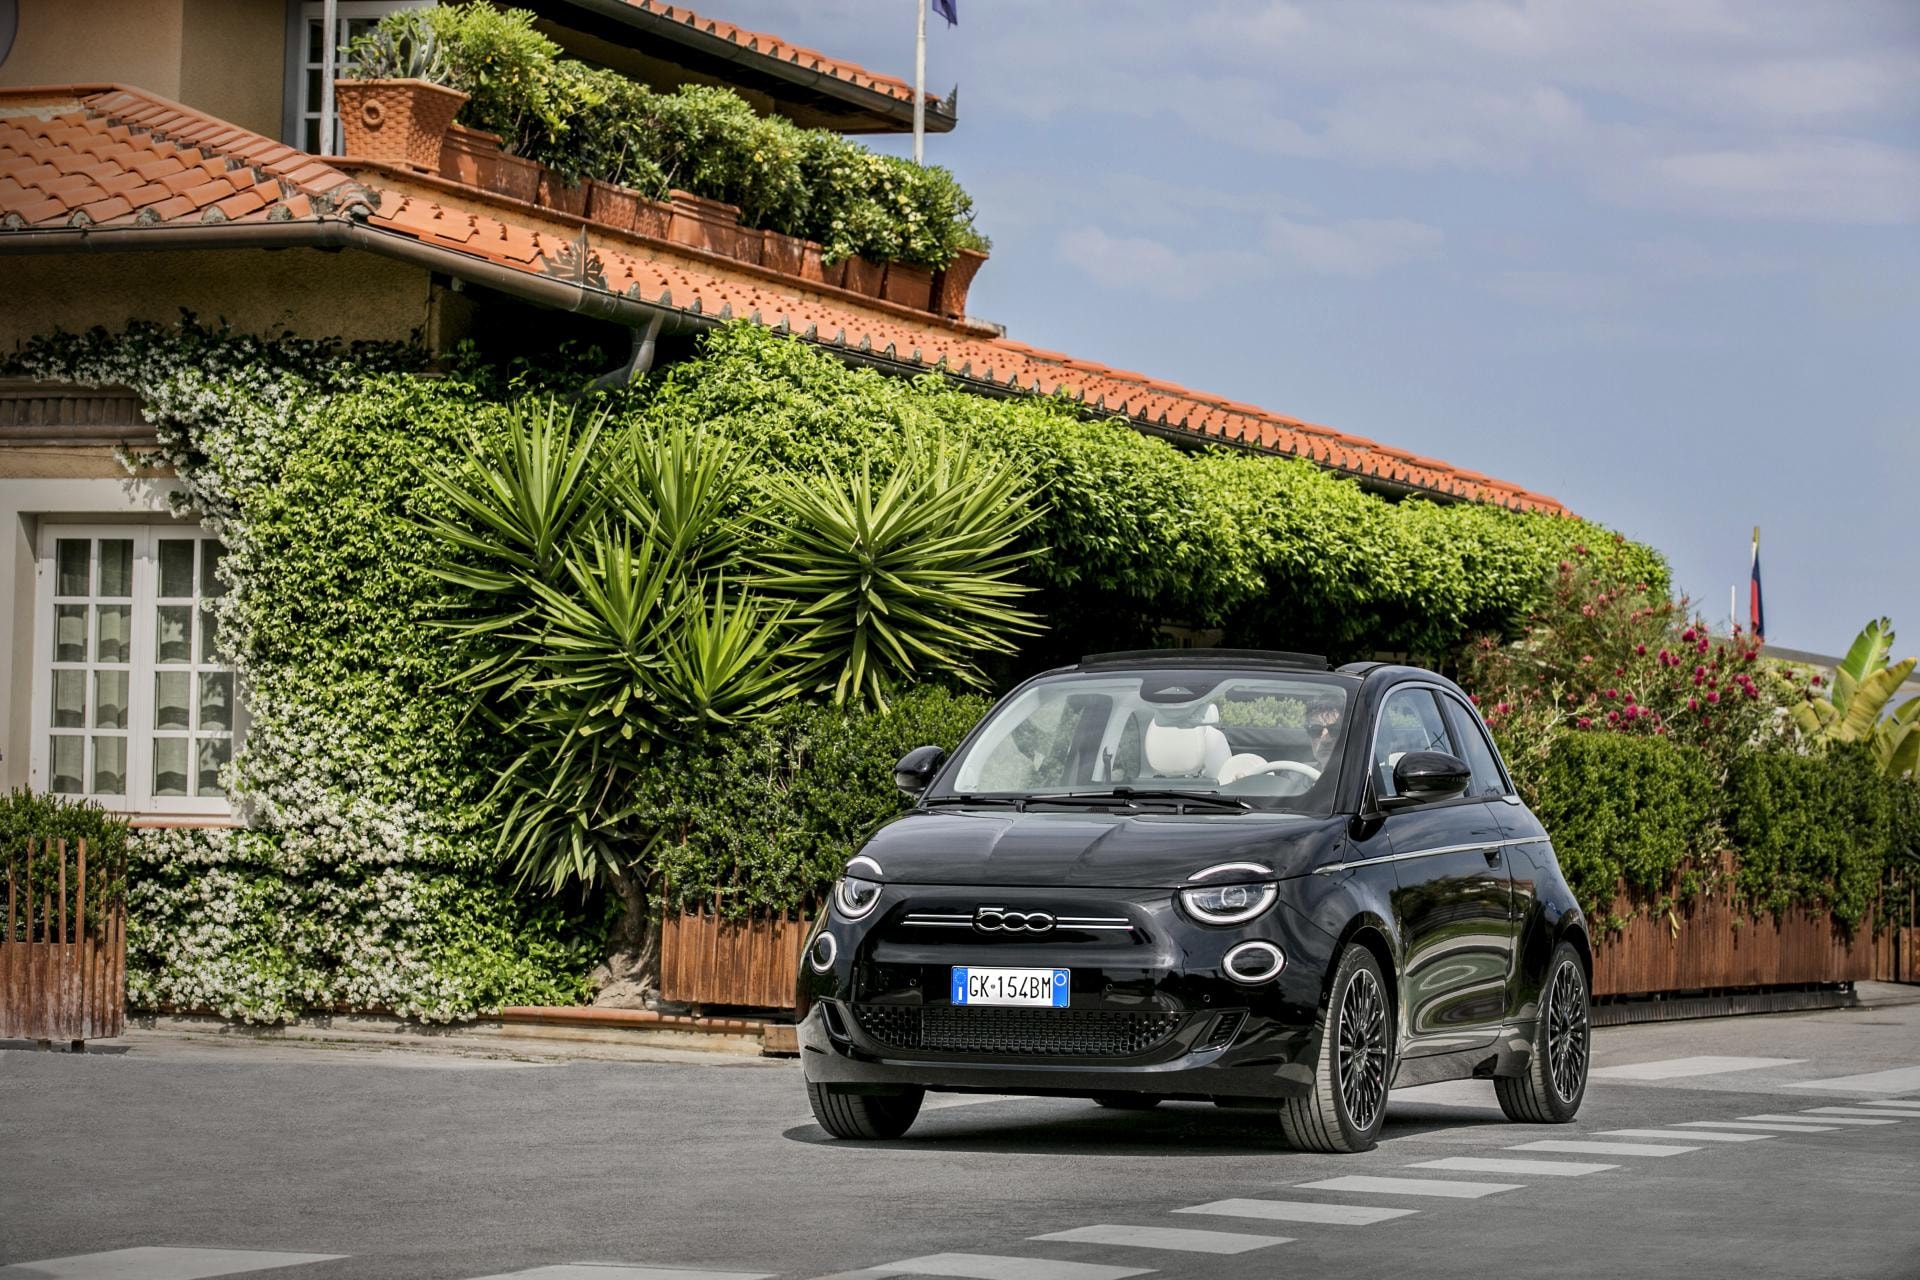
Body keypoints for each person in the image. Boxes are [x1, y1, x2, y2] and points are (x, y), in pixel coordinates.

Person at [1306, 697, 1344, 768]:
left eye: (1334, 729)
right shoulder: (1295, 776)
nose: (1325, 740)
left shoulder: (1359, 777)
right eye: (1315, 730)